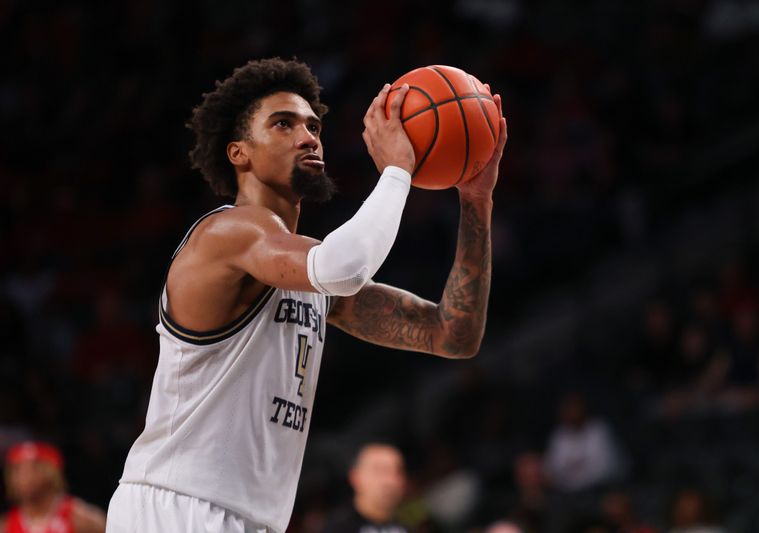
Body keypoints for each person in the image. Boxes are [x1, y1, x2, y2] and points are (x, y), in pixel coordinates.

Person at [106, 57, 507, 533]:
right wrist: (398, 171)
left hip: (251, 519)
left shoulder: (311, 275)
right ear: (239, 153)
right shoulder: (228, 233)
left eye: (313, 125)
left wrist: (475, 200)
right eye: (283, 123)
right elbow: (345, 265)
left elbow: (453, 334)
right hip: (176, 508)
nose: (308, 135)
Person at [1, 441, 106, 533]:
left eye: (34, 468)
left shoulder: (79, 518)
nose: (24, 476)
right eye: (18, 470)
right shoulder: (6, 526)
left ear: (51, 473)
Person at [322, 443, 408, 533]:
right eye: (379, 470)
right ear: (355, 477)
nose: (390, 480)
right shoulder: (337, 527)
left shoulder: (406, 528)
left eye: (397, 471)